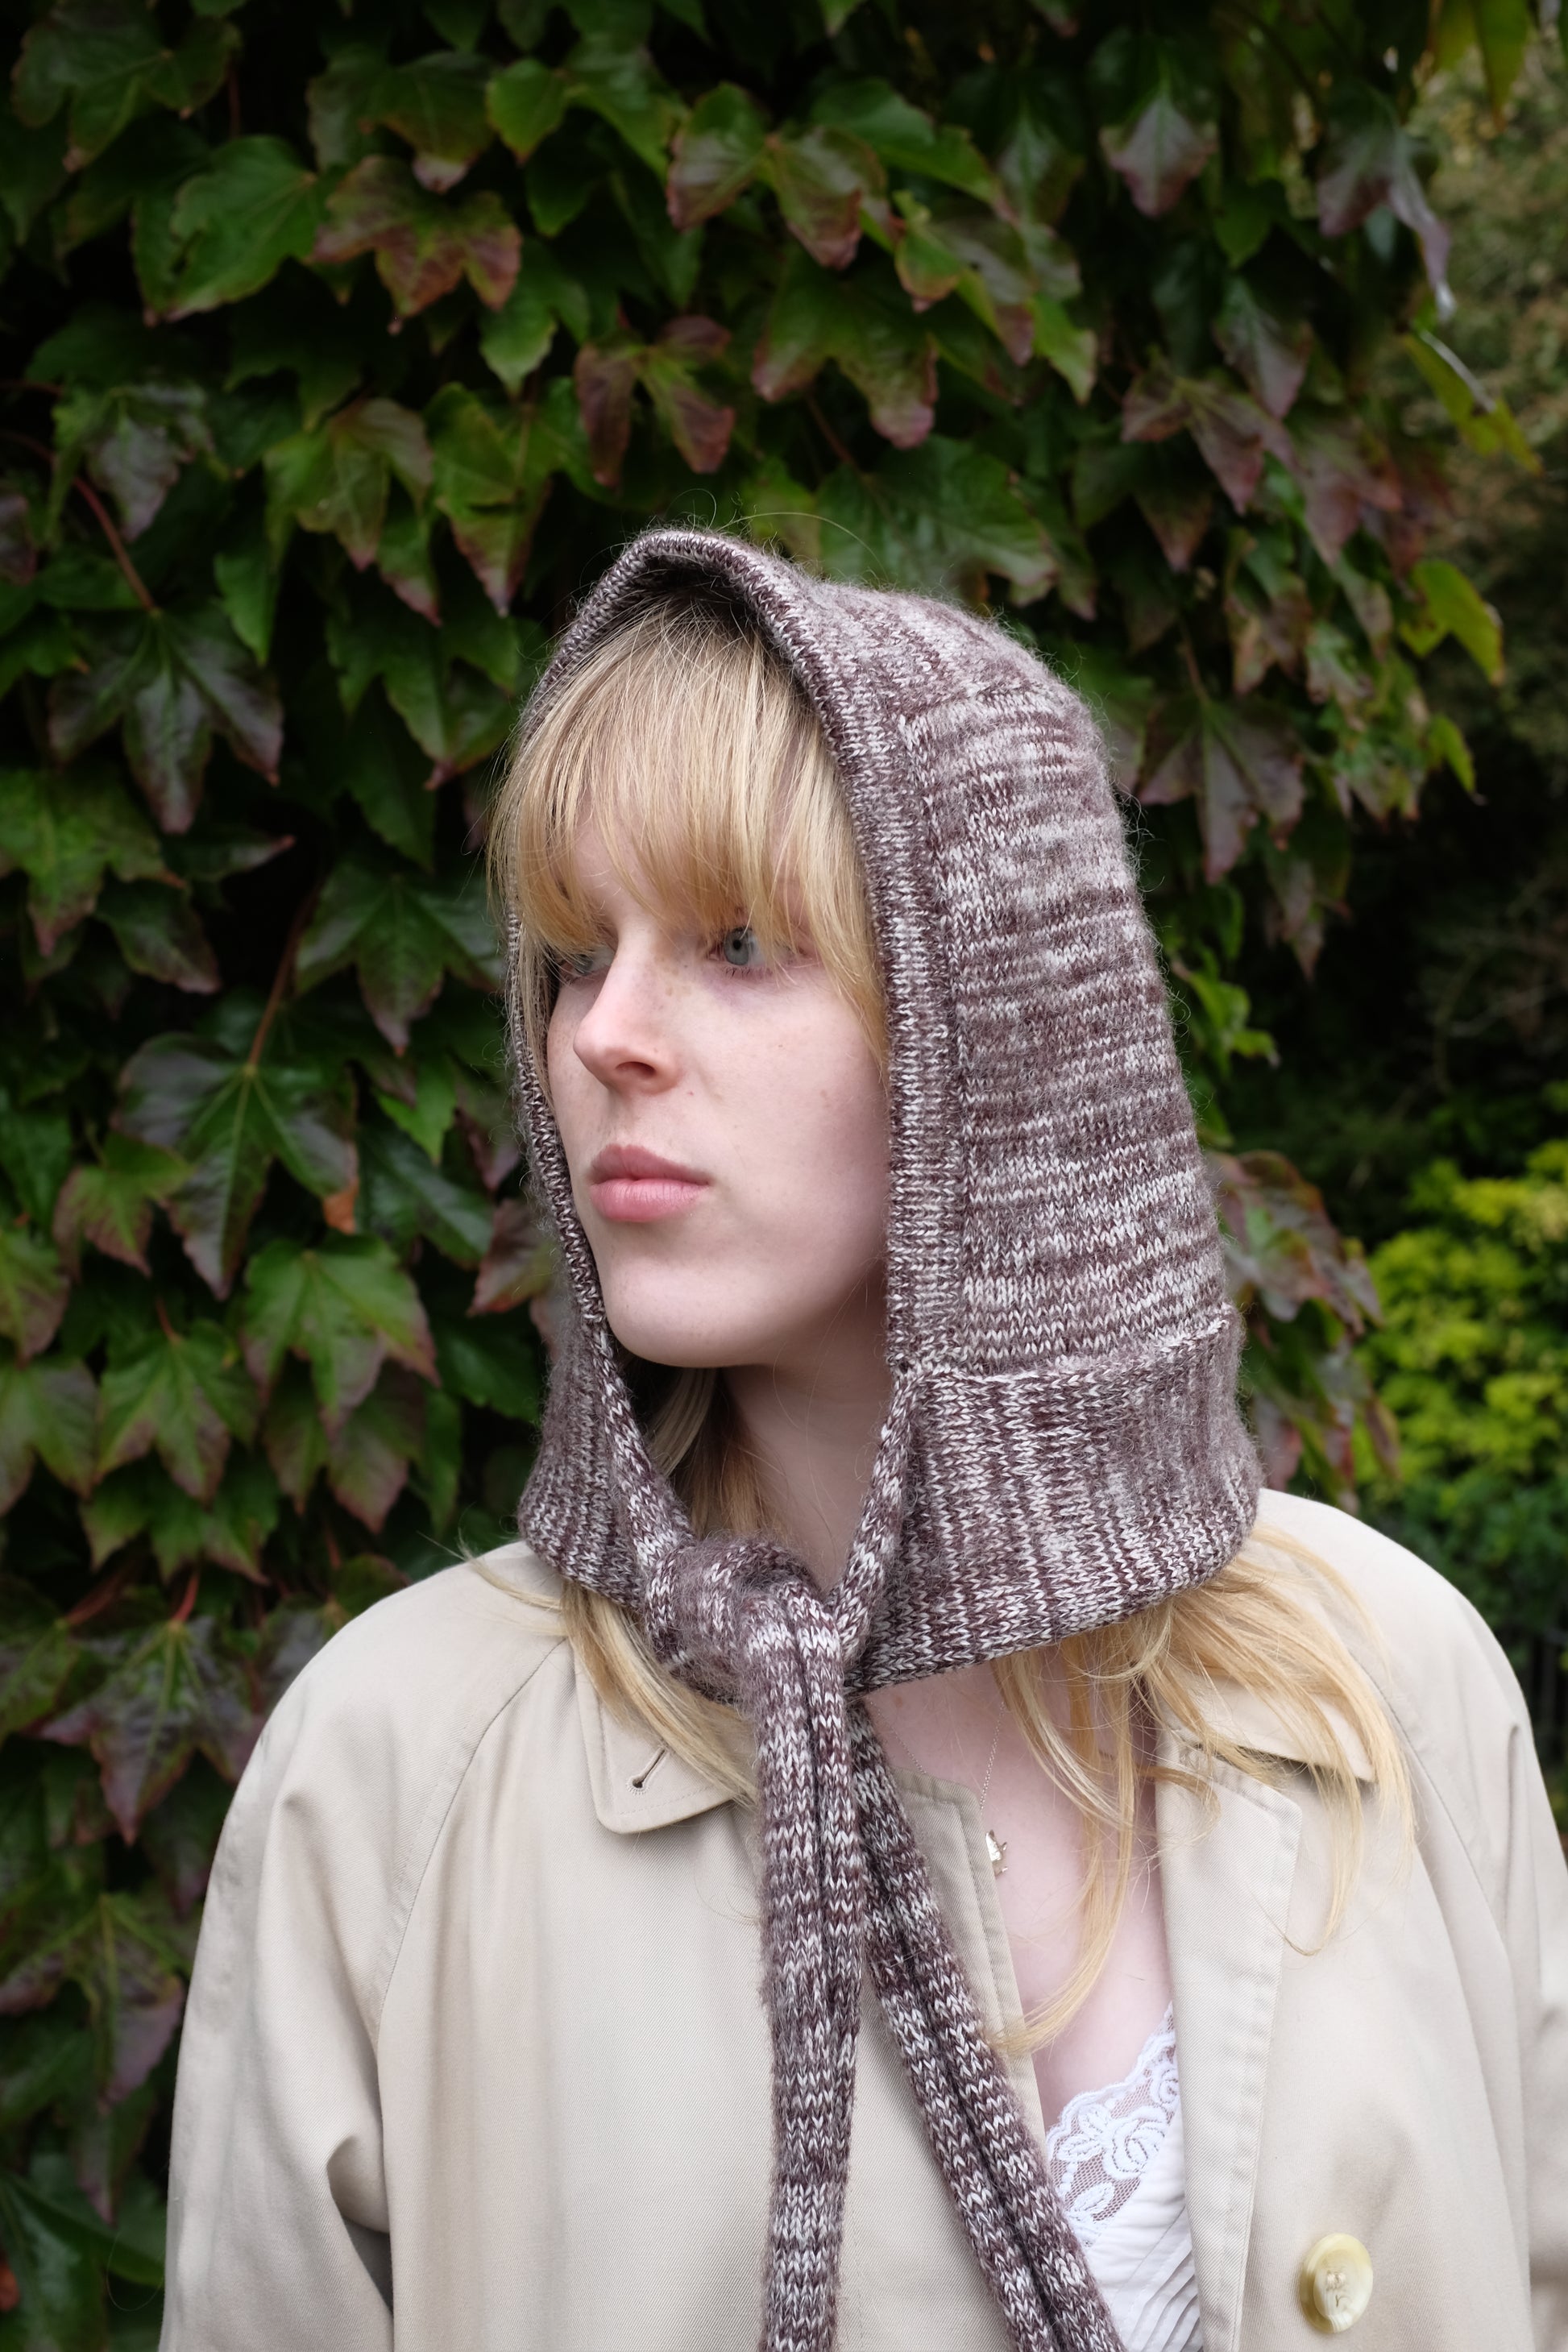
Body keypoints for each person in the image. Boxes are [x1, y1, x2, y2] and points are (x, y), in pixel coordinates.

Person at [160, 529, 1568, 2352]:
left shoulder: (1393, 1684)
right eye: (575, 956)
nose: (607, 1035)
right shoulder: (393, 1783)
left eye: (737, 944)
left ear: (1005, 1028)